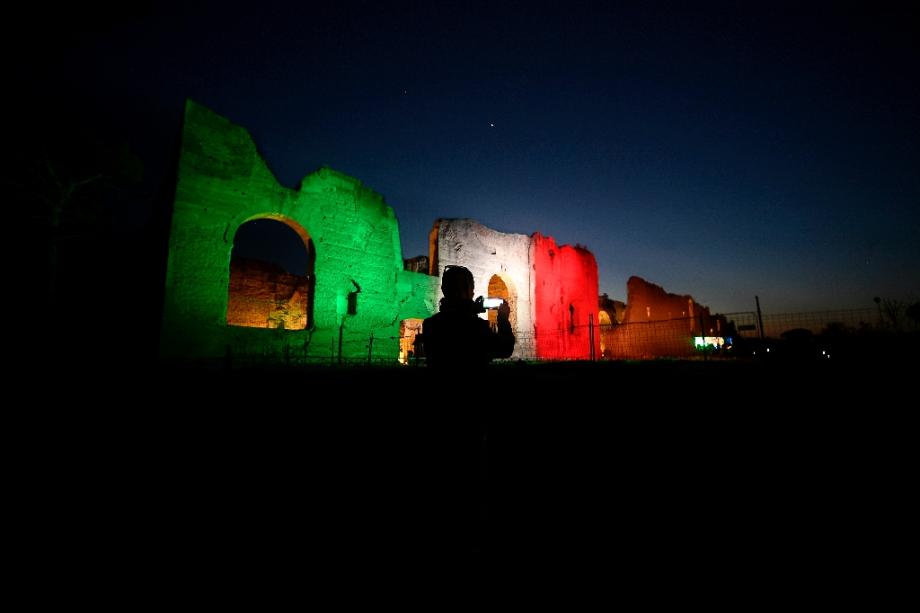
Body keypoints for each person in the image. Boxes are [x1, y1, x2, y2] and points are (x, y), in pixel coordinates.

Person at [421, 265, 515, 368]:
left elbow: (454, 321)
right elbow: (505, 349)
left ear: (444, 289)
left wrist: (472, 310)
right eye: (471, 288)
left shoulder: (430, 324)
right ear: (469, 291)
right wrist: (503, 319)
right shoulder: (478, 326)